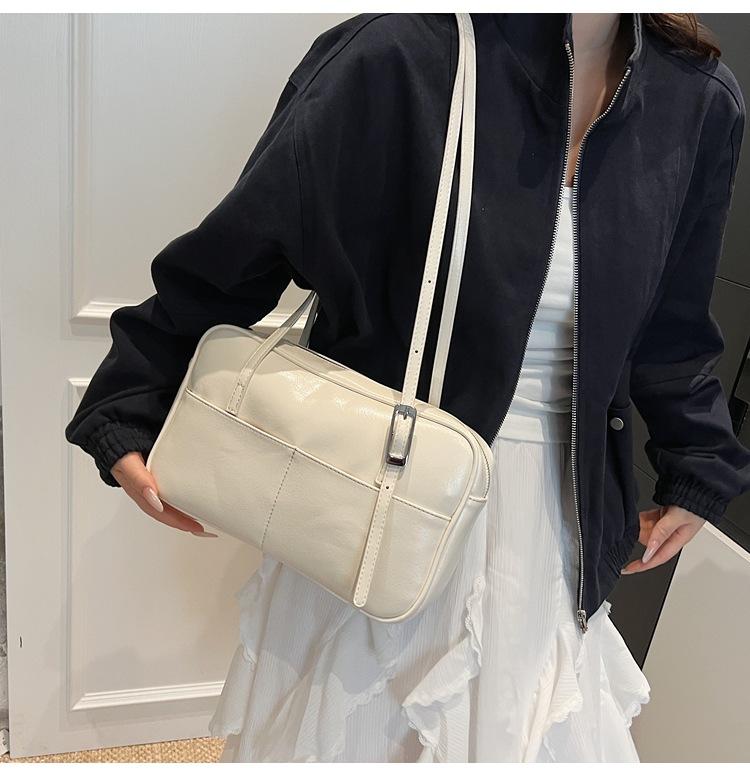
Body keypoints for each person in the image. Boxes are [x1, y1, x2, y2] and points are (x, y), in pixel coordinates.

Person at [65, 12, 750, 763]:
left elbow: (675, 324)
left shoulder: (695, 100)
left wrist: (697, 460)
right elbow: (240, 251)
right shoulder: (399, 55)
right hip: (376, 497)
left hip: (555, 523)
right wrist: (134, 392)